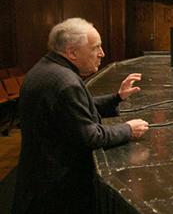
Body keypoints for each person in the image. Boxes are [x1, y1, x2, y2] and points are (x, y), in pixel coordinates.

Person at [12, 18, 150, 213]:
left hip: (37, 176)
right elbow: (90, 136)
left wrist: (117, 98)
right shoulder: (66, 82)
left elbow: (72, 110)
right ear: (72, 52)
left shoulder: (48, 68)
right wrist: (128, 129)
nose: (102, 54)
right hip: (57, 189)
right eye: (95, 48)